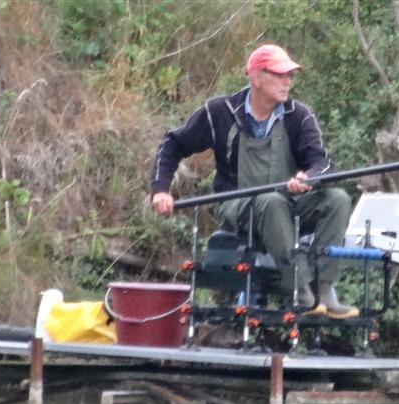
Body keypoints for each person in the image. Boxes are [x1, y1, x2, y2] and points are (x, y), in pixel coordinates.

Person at [150, 43, 358, 318]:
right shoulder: (220, 111)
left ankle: (325, 288)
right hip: (235, 204)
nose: (287, 81)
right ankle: (299, 288)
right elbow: (172, 144)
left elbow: (323, 163)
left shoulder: (299, 115)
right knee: (271, 201)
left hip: (287, 201)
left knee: (337, 199)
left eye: (289, 75)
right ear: (256, 78)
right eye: (279, 75)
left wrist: (309, 178)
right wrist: (160, 189)